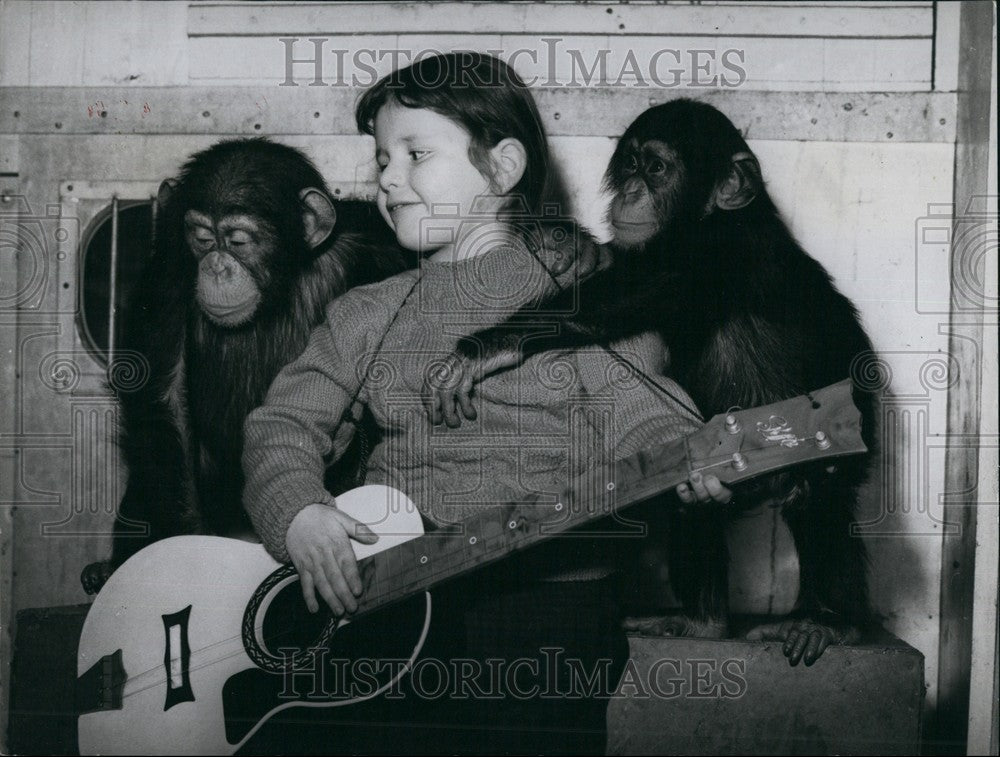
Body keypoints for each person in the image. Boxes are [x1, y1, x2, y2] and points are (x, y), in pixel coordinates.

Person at [242, 52, 710, 755]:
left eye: (415, 153)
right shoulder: (367, 311)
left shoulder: (577, 290)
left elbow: (636, 401)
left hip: (547, 603)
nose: (387, 177)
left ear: (503, 166)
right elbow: (282, 423)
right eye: (381, 157)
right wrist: (301, 513)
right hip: (392, 601)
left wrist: (693, 451)